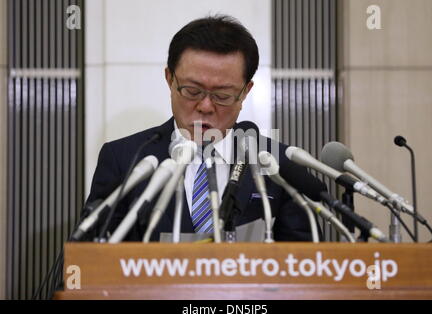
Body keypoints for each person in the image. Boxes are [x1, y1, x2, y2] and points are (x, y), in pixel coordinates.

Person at [85, 15, 326, 242]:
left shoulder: (279, 165)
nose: (205, 106)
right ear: (170, 79)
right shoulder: (125, 159)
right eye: (192, 91)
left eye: (222, 95)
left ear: (245, 92)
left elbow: (309, 267)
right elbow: (92, 261)